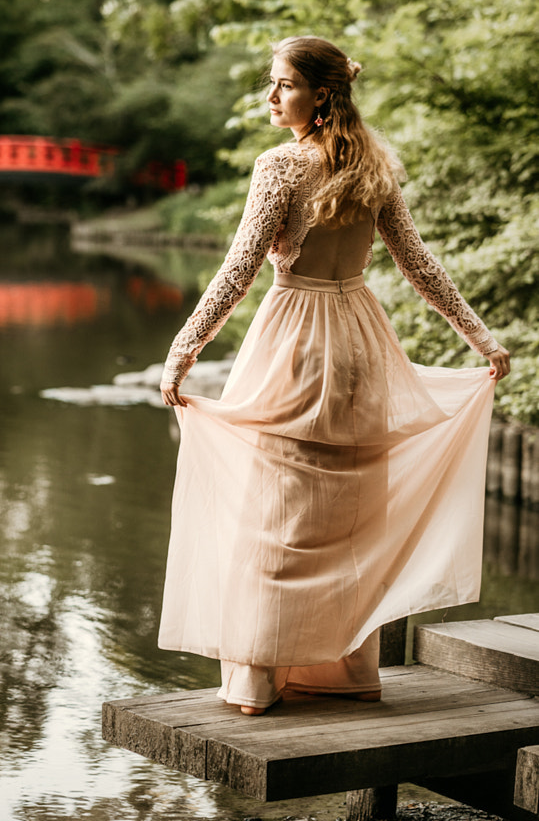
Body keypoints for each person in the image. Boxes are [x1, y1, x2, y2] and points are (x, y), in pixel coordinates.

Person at [158, 35, 510, 716]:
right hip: (358, 339)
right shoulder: (373, 165)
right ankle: (346, 672)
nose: (270, 97)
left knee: (278, 511)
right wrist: (480, 337)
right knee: (348, 513)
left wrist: (182, 350)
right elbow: (419, 265)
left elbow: (237, 270)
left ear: (320, 93)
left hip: (292, 338)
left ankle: (261, 680)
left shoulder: (280, 167)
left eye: (282, 84)